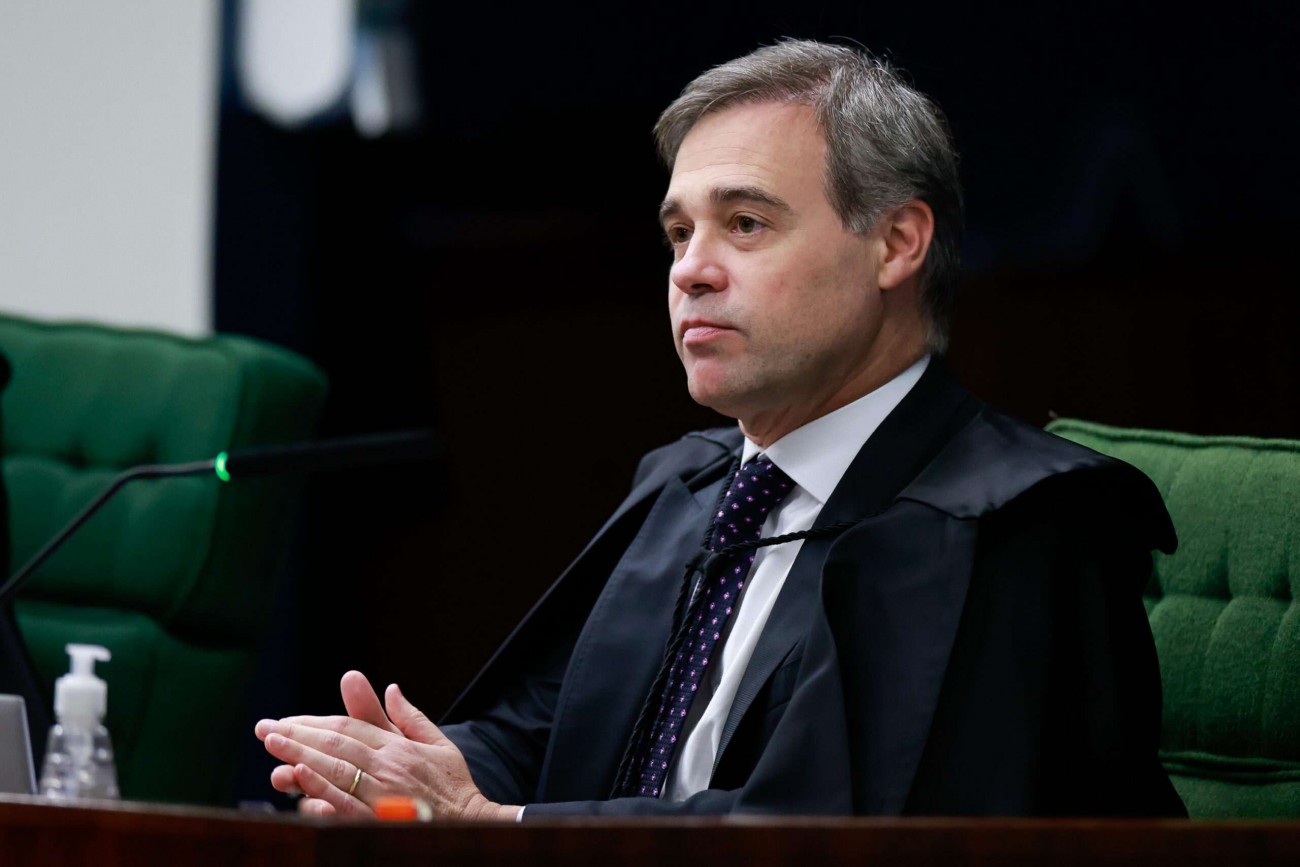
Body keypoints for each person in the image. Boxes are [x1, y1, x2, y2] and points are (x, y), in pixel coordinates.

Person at [256, 37, 1186, 820]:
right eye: (678, 233)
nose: (690, 271)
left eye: (743, 223)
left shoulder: (1013, 524)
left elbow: (838, 827)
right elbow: (542, 734)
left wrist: (500, 826)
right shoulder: (690, 483)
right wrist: (397, 774)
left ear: (897, 242)